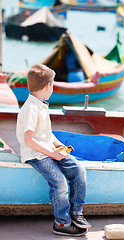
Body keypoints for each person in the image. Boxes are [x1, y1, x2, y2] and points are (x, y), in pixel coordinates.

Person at [16, 64, 91, 237]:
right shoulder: (30, 109)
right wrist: (52, 154)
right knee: (60, 183)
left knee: (78, 170)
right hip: (36, 154)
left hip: (48, 150)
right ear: (47, 86)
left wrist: (57, 145)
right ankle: (62, 223)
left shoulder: (41, 105)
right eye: (53, 83)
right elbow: (29, 139)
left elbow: (46, 134)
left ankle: (76, 212)